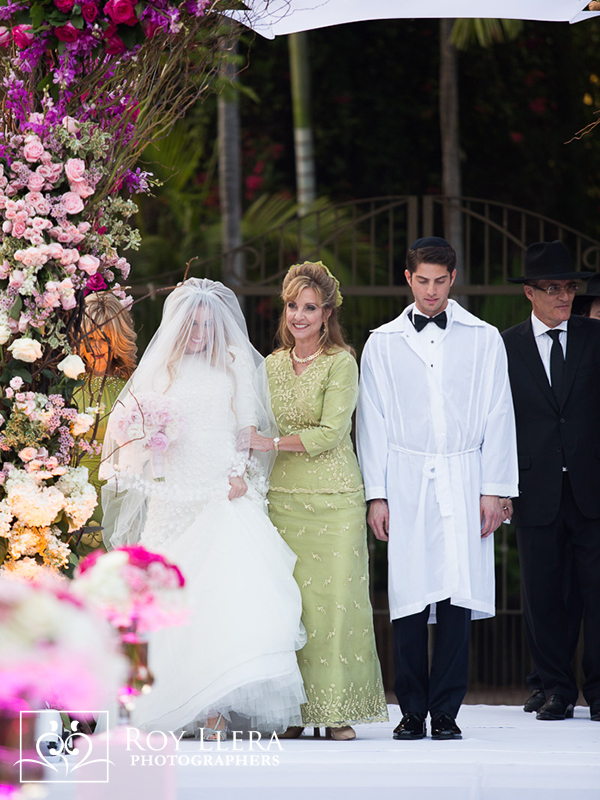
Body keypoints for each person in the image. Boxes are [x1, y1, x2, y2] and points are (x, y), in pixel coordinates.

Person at [101, 278, 306, 738]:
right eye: (190, 323)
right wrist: (147, 441)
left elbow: (245, 425)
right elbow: (130, 425)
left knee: (224, 594)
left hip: (220, 488)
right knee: (172, 596)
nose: (198, 331)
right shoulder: (160, 372)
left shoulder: (234, 365)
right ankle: (175, 701)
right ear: (177, 325)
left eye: (206, 323)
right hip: (172, 492)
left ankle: (215, 707)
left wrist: (238, 472)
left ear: (218, 325)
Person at [357, 237, 518, 741]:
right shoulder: (381, 342)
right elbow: (373, 424)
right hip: (404, 477)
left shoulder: (485, 337)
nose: (431, 291)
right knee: (406, 594)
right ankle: (410, 709)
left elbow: (499, 412)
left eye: (440, 281)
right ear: (408, 279)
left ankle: (447, 711)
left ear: (454, 278)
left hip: (465, 474)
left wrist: (495, 488)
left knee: (456, 593)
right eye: (422, 281)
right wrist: (377, 493)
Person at [245, 261, 388, 741]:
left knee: (337, 604)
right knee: (292, 607)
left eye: (310, 308)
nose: (299, 316)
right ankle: (292, 710)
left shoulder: (342, 361)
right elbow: (251, 421)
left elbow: (332, 432)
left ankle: (336, 713)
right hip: (282, 500)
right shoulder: (269, 365)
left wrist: (272, 443)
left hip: (336, 501)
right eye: (292, 306)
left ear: (327, 313)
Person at [502, 241, 600, 723]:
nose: (565, 295)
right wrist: (499, 487)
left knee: (597, 591)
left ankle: (599, 691)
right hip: (534, 488)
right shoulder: (505, 346)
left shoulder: (594, 337)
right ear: (529, 293)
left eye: (570, 287)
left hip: (592, 488)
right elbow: (496, 422)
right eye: (553, 287)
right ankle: (556, 688)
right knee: (543, 596)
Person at [75, 291, 137, 547]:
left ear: (118, 339)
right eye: (89, 338)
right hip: (73, 491)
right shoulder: (67, 383)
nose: (96, 348)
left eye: (104, 339)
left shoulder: (132, 384)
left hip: (117, 490)